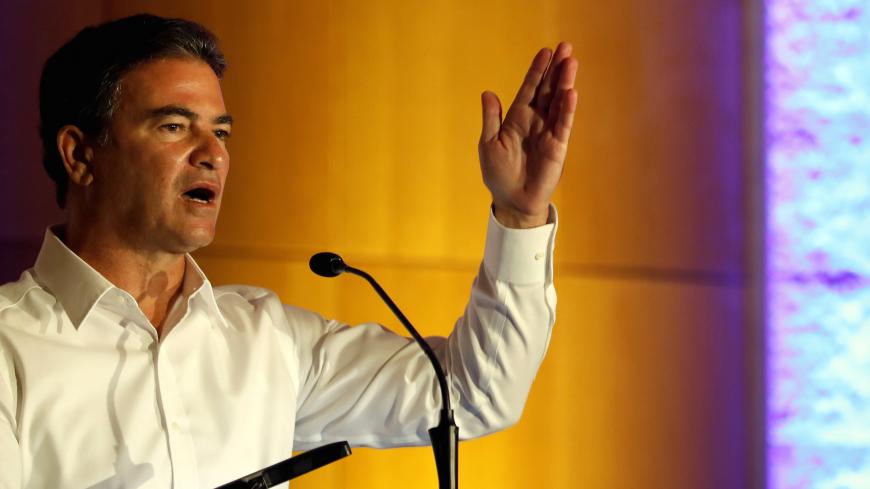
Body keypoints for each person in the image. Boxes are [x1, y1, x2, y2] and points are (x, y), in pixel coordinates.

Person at [0, 13, 577, 489]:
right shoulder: (11, 350)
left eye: (221, 133)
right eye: (174, 126)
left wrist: (521, 215)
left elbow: (472, 395)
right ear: (80, 155)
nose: (213, 155)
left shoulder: (266, 340)